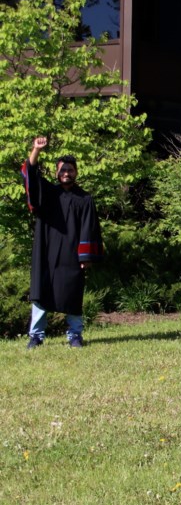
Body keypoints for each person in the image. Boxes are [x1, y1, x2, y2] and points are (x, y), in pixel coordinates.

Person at [20, 136, 103, 349]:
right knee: (41, 292)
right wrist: (36, 150)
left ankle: (75, 335)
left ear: (76, 172)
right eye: (62, 170)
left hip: (71, 253)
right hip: (46, 251)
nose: (66, 173)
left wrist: (85, 257)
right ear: (57, 173)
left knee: (73, 293)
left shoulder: (85, 199)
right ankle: (36, 336)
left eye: (70, 170)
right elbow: (30, 173)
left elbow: (89, 228)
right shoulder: (48, 193)